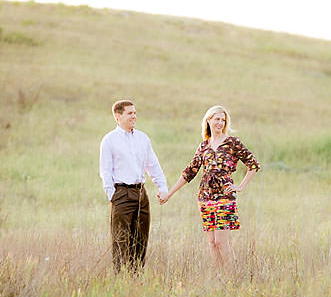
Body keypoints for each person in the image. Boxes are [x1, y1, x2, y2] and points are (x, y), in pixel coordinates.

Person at [159, 105, 260, 267]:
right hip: (205, 198)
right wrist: (169, 194)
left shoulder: (233, 143)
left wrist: (240, 186)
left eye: (223, 120)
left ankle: (232, 276)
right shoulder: (203, 146)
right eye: (217, 119)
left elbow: (253, 164)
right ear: (208, 121)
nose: (220, 122)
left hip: (224, 197)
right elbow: (189, 172)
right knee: (212, 243)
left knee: (221, 241)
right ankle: (217, 278)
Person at [99, 99, 168, 273]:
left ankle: (136, 277)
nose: (134, 116)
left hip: (141, 193)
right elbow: (105, 171)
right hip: (121, 193)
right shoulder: (109, 140)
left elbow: (153, 165)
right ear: (118, 116)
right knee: (121, 240)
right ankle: (121, 280)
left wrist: (162, 187)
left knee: (141, 239)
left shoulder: (143, 138)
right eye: (130, 113)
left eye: (135, 112)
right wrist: (112, 195)